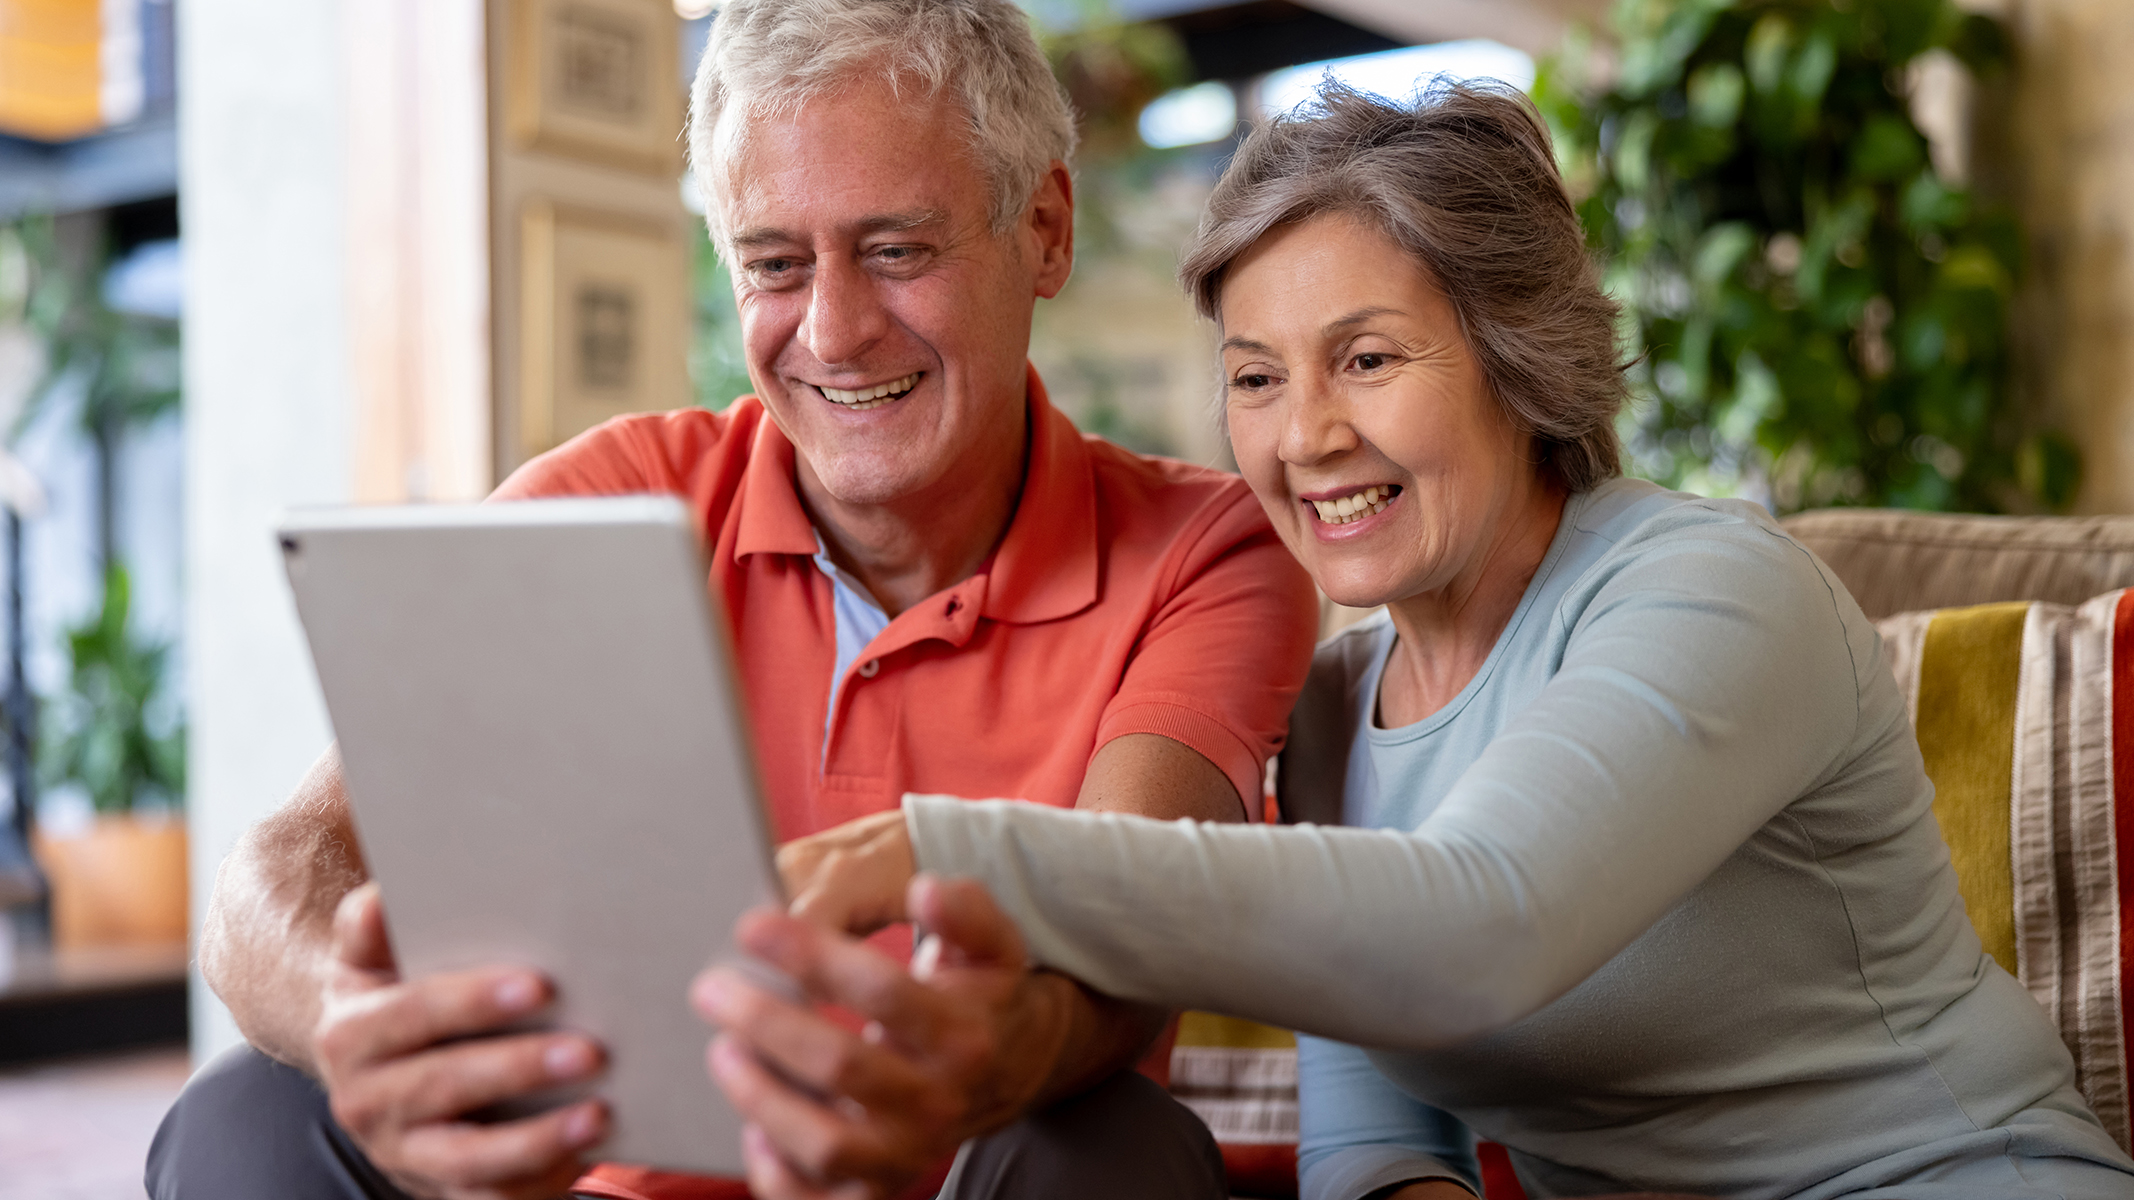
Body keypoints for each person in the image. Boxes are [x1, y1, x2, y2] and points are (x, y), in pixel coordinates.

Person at [700, 83, 2134, 1200]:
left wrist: (946, 847)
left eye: (1367, 359)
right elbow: (1373, 1130)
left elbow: (1475, 926)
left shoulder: (1713, 593)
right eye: (1254, 377)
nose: (1305, 434)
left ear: (1519, 362)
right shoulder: (1331, 713)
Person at [144, 3, 1320, 1199]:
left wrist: (970, 1064)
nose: (834, 331)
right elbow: (276, 875)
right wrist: (356, 1019)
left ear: (1045, 229)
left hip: (960, 1169)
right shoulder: (608, 499)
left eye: (898, 250)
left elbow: (1125, 928)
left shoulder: (1206, 549)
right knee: (248, 1112)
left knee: (1105, 1147)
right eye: (774, 263)